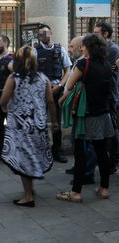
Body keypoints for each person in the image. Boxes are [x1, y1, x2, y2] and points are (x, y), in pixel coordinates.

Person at [57, 33, 114, 203]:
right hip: (103, 114)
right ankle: (104, 189)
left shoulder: (84, 63)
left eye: (83, 46)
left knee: (80, 153)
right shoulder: (106, 64)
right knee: (102, 152)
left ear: (88, 47)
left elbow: (70, 85)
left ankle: (76, 192)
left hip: (86, 116)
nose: (81, 48)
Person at [0, 46, 58, 207]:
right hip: (38, 125)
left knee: (24, 160)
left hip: (20, 125)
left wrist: (5, 107)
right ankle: (31, 190)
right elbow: (50, 102)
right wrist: (54, 122)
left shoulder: (13, 78)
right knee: (33, 157)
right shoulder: (43, 78)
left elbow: (3, 100)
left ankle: (28, 196)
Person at [35, 24, 72, 163]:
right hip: (40, 91)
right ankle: (41, 152)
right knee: (40, 121)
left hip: (57, 89)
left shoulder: (60, 49)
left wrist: (60, 85)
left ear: (51, 33)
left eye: (44, 33)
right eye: (40, 34)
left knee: (56, 121)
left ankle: (57, 151)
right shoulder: (35, 51)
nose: (42, 36)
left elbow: (67, 70)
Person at [64, 36, 97, 186]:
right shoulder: (80, 62)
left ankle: (87, 173)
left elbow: (71, 85)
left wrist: (63, 97)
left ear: (81, 47)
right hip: (79, 107)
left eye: (72, 46)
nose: (69, 50)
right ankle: (79, 168)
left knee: (85, 143)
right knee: (77, 141)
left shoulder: (85, 63)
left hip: (83, 109)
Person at [94, 21, 119, 174]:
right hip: (101, 94)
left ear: (105, 34)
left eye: (97, 32)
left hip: (111, 95)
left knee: (113, 130)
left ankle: (114, 161)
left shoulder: (113, 49)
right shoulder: (99, 49)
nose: (94, 34)